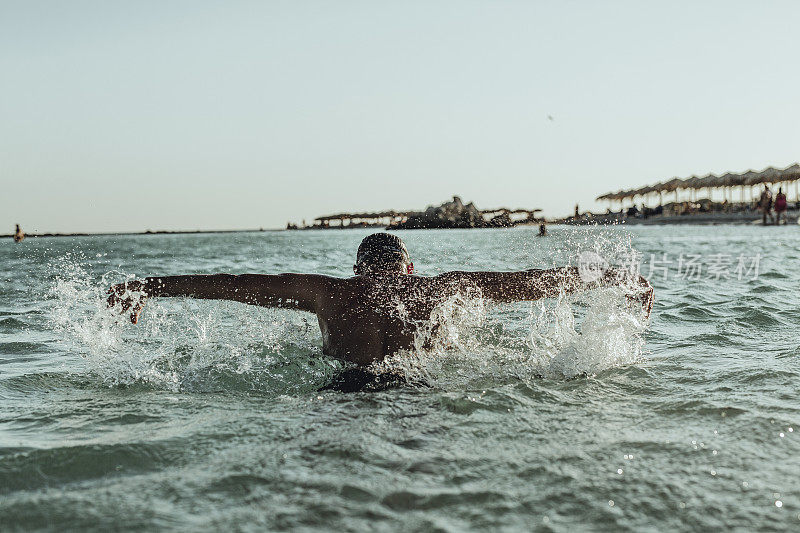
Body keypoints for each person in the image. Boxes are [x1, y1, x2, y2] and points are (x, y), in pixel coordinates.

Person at [108, 233, 653, 390]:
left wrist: (149, 285)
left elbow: (235, 285)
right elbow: (529, 285)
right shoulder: (440, 291)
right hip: (418, 392)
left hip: (341, 391)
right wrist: (612, 277)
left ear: (359, 271)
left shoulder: (329, 293)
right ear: (409, 270)